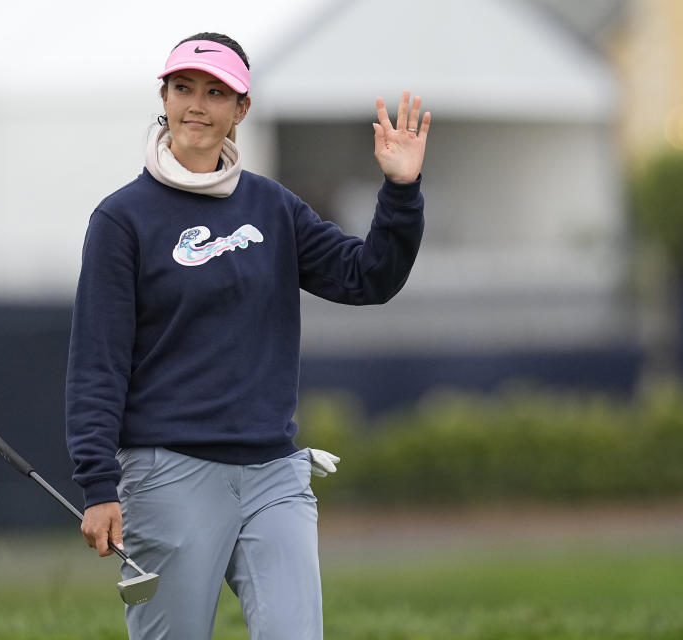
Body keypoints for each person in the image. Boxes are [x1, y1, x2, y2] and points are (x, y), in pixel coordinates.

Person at [65, 31, 430, 640]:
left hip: (273, 475)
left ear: (242, 110)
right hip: (167, 476)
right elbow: (97, 362)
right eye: (183, 88)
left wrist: (399, 191)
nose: (197, 106)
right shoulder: (121, 220)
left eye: (216, 93)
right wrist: (99, 484)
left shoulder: (274, 208)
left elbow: (366, 278)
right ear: (164, 95)